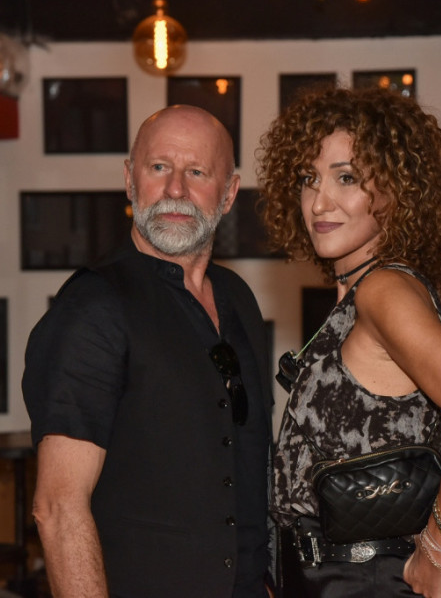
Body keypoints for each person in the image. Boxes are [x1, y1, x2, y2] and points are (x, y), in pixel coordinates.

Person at [257, 87, 441, 598]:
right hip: (328, 577)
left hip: (362, 580)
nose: (319, 202)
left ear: (397, 191)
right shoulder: (368, 291)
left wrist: (439, 554)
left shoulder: (383, 291)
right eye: (308, 178)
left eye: (346, 178)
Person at [23, 105, 273, 598]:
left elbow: (247, 470)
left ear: (228, 194)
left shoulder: (239, 298)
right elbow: (58, 508)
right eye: (159, 167)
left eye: (197, 172)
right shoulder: (94, 307)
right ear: (129, 179)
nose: (175, 189)